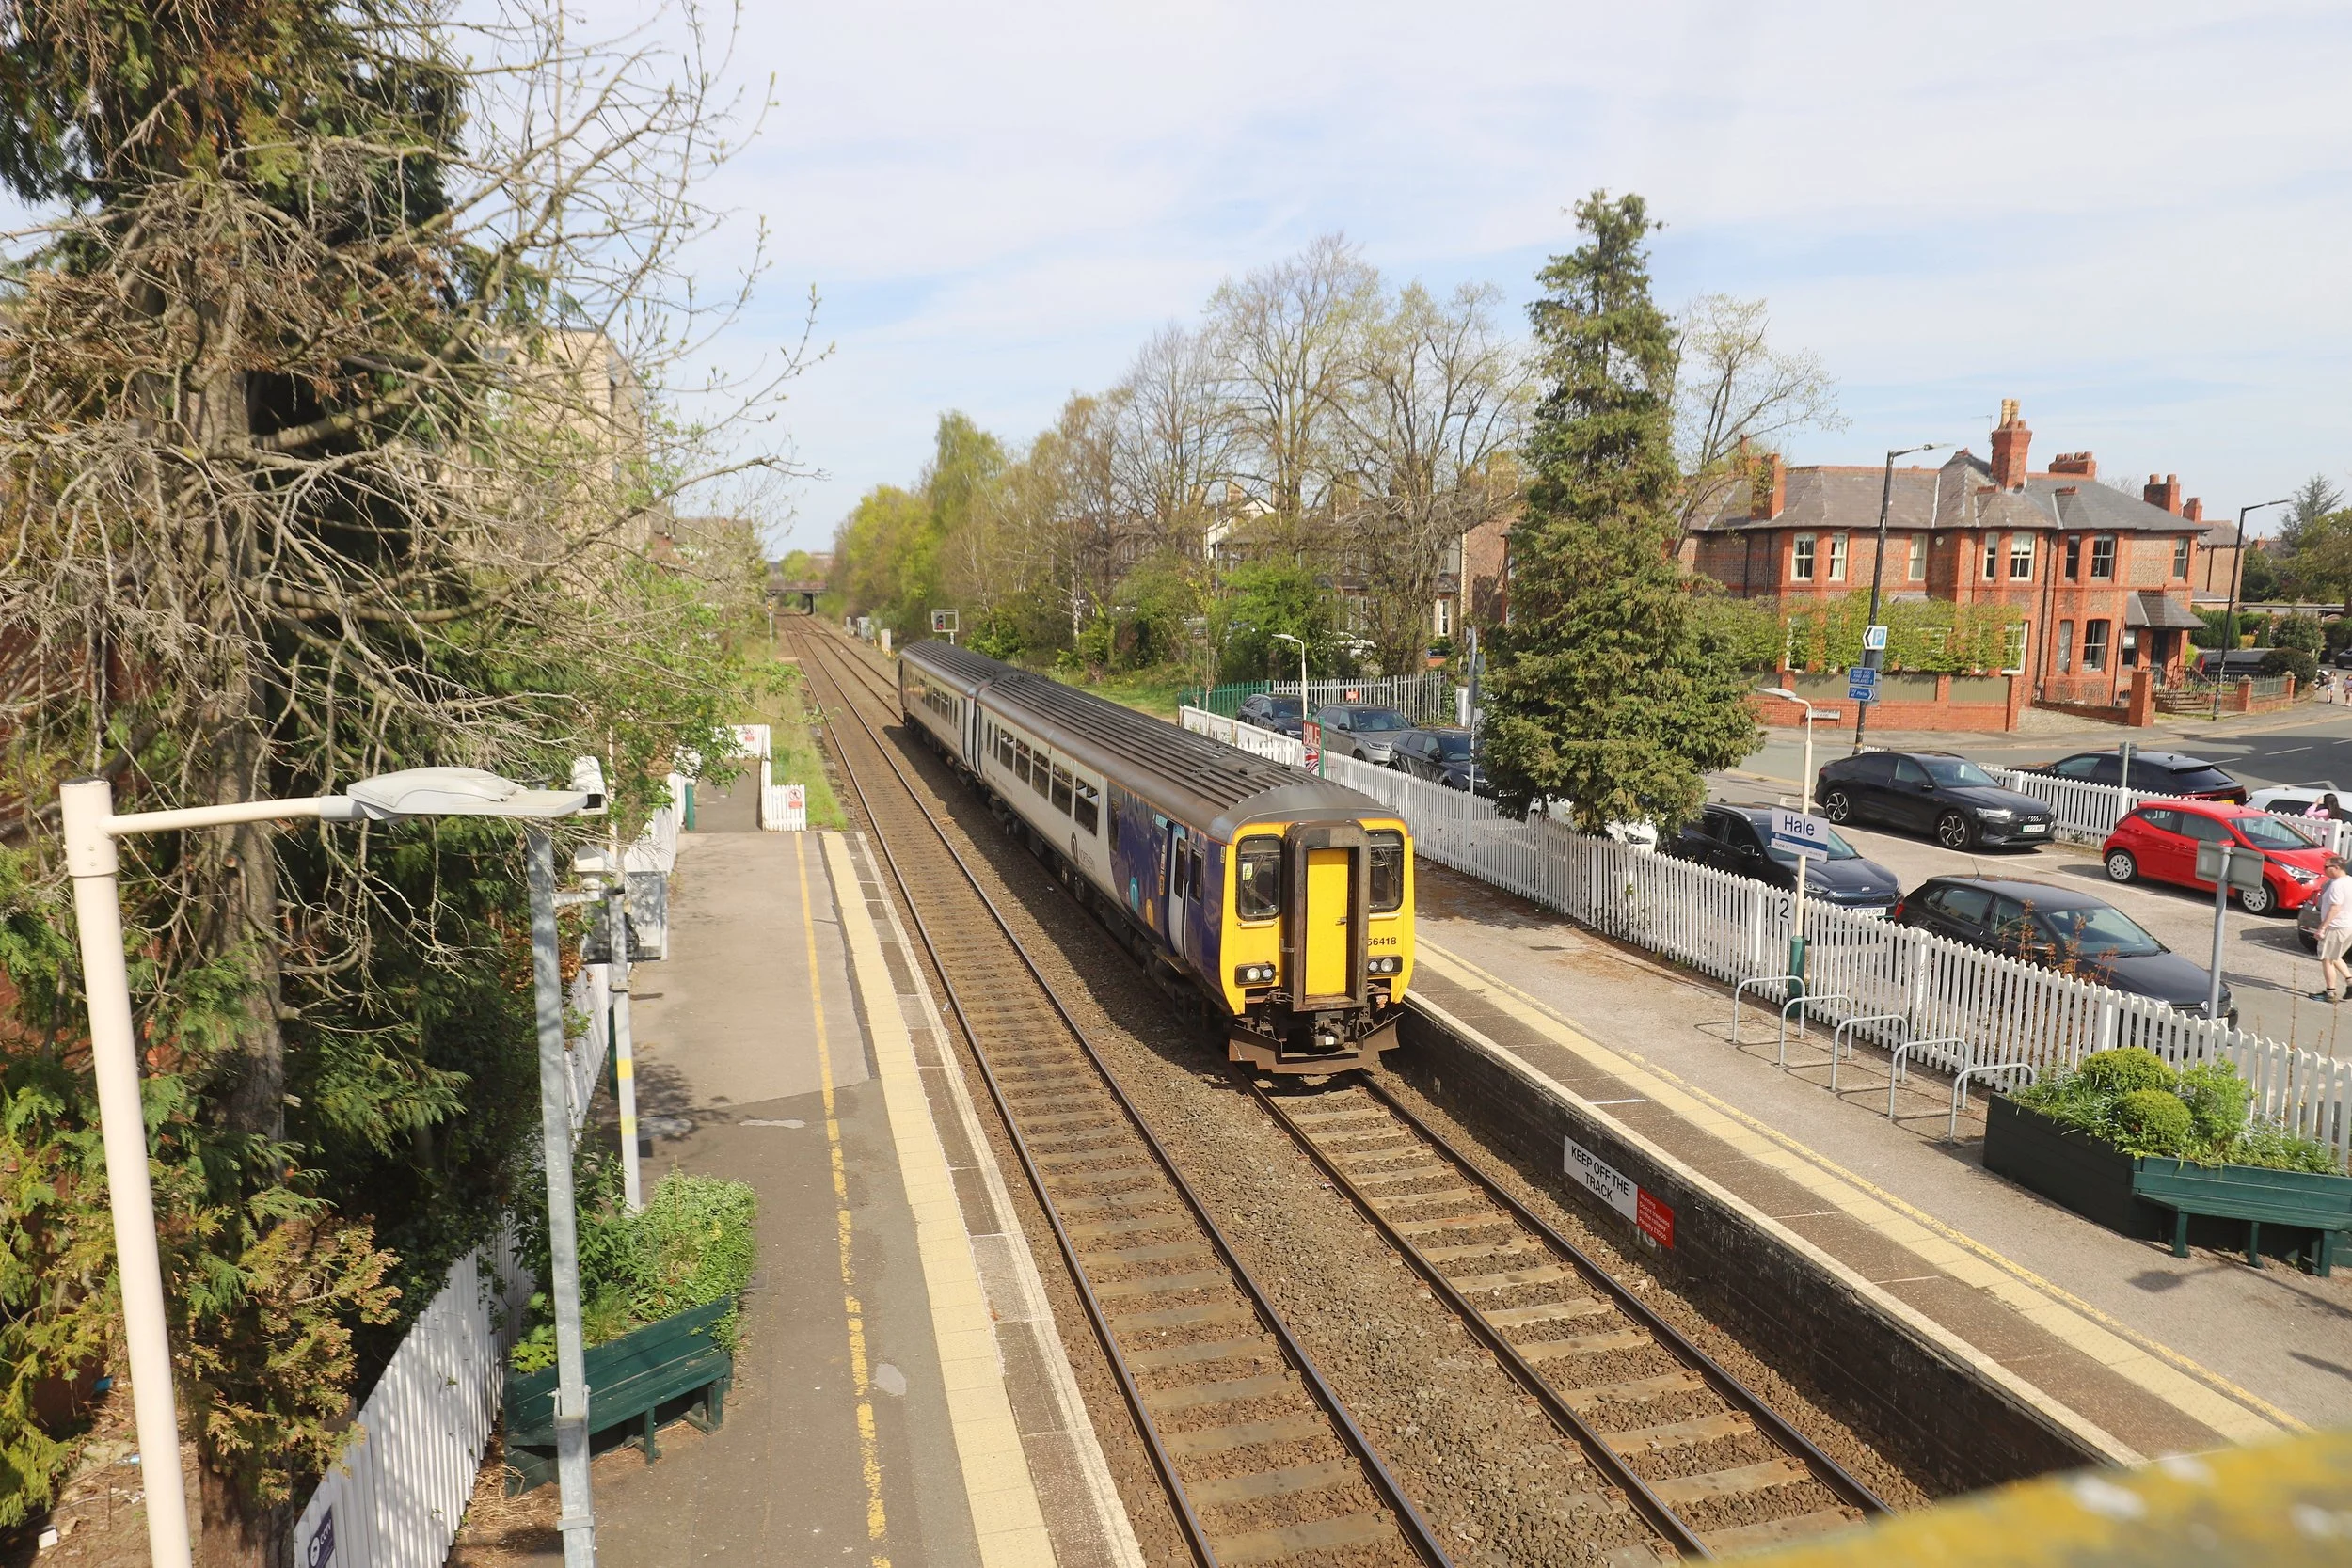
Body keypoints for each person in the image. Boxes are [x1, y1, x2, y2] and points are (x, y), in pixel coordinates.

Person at [2315, 855, 2352, 1003]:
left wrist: (2322, 927)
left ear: (2336, 868)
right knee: (2335, 956)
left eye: (2326, 867)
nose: (2324, 870)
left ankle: (2330, 993)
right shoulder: (2350, 881)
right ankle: (2350, 981)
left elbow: (2335, 907)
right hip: (2348, 926)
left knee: (2327, 959)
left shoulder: (2337, 885)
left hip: (2336, 926)